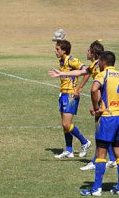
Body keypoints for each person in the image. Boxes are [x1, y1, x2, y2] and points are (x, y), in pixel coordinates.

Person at [49, 40, 117, 169]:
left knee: (101, 132)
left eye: (88, 50)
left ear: (93, 53)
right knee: (104, 131)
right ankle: (111, 159)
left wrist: (96, 106)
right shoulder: (95, 65)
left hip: (106, 103)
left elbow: (97, 88)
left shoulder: (99, 67)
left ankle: (95, 160)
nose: (86, 52)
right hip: (105, 102)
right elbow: (81, 72)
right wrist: (62, 73)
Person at [80, 51, 119, 196]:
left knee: (101, 152)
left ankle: (96, 188)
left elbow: (93, 89)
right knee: (118, 152)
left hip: (108, 118)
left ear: (103, 62)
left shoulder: (103, 75)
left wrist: (97, 108)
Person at [52, 40, 91, 159]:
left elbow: (87, 72)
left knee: (66, 123)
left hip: (70, 95)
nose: (55, 51)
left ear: (64, 50)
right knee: (64, 125)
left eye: (58, 49)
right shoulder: (62, 61)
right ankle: (69, 150)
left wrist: (79, 88)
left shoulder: (71, 60)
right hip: (63, 94)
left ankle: (85, 142)